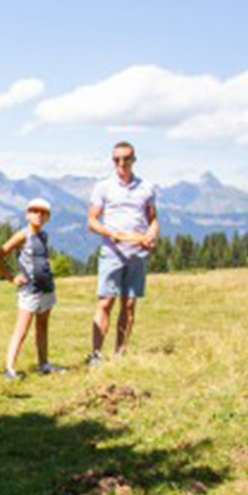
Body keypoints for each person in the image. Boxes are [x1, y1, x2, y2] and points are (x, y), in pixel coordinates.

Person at [86, 140, 158, 365]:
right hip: (112, 252)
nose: (121, 163)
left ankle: (120, 353)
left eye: (126, 158)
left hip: (137, 253)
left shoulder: (146, 187)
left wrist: (151, 236)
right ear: (112, 161)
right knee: (106, 302)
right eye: (117, 159)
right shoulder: (103, 187)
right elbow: (91, 221)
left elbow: (153, 220)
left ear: (133, 160)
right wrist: (110, 233)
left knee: (128, 304)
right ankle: (96, 354)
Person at [0, 197, 62, 378]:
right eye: (35, 211)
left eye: (43, 213)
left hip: (46, 288)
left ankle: (44, 363)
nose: (39, 215)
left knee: (43, 327)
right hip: (30, 290)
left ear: (48, 217)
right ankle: (10, 369)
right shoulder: (22, 235)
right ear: (27, 214)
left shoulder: (44, 235)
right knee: (21, 330)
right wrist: (11, 277)